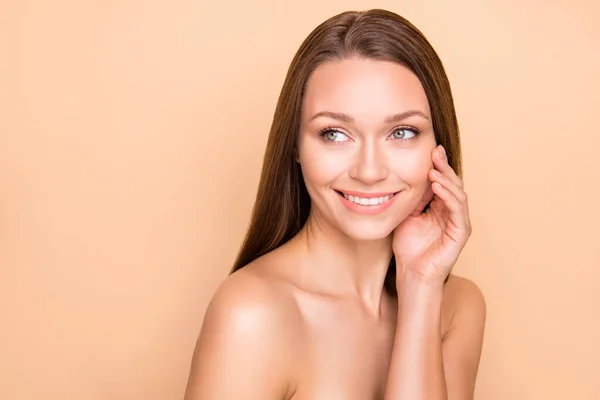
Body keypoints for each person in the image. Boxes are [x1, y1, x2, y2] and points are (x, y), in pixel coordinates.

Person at [184, 8, 486, 400]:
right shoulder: (252, 316)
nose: (370, 170)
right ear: (294, 145)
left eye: (402, 131)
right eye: (335, 134)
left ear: (438, 147)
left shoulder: (458, 307)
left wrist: (421, 288)